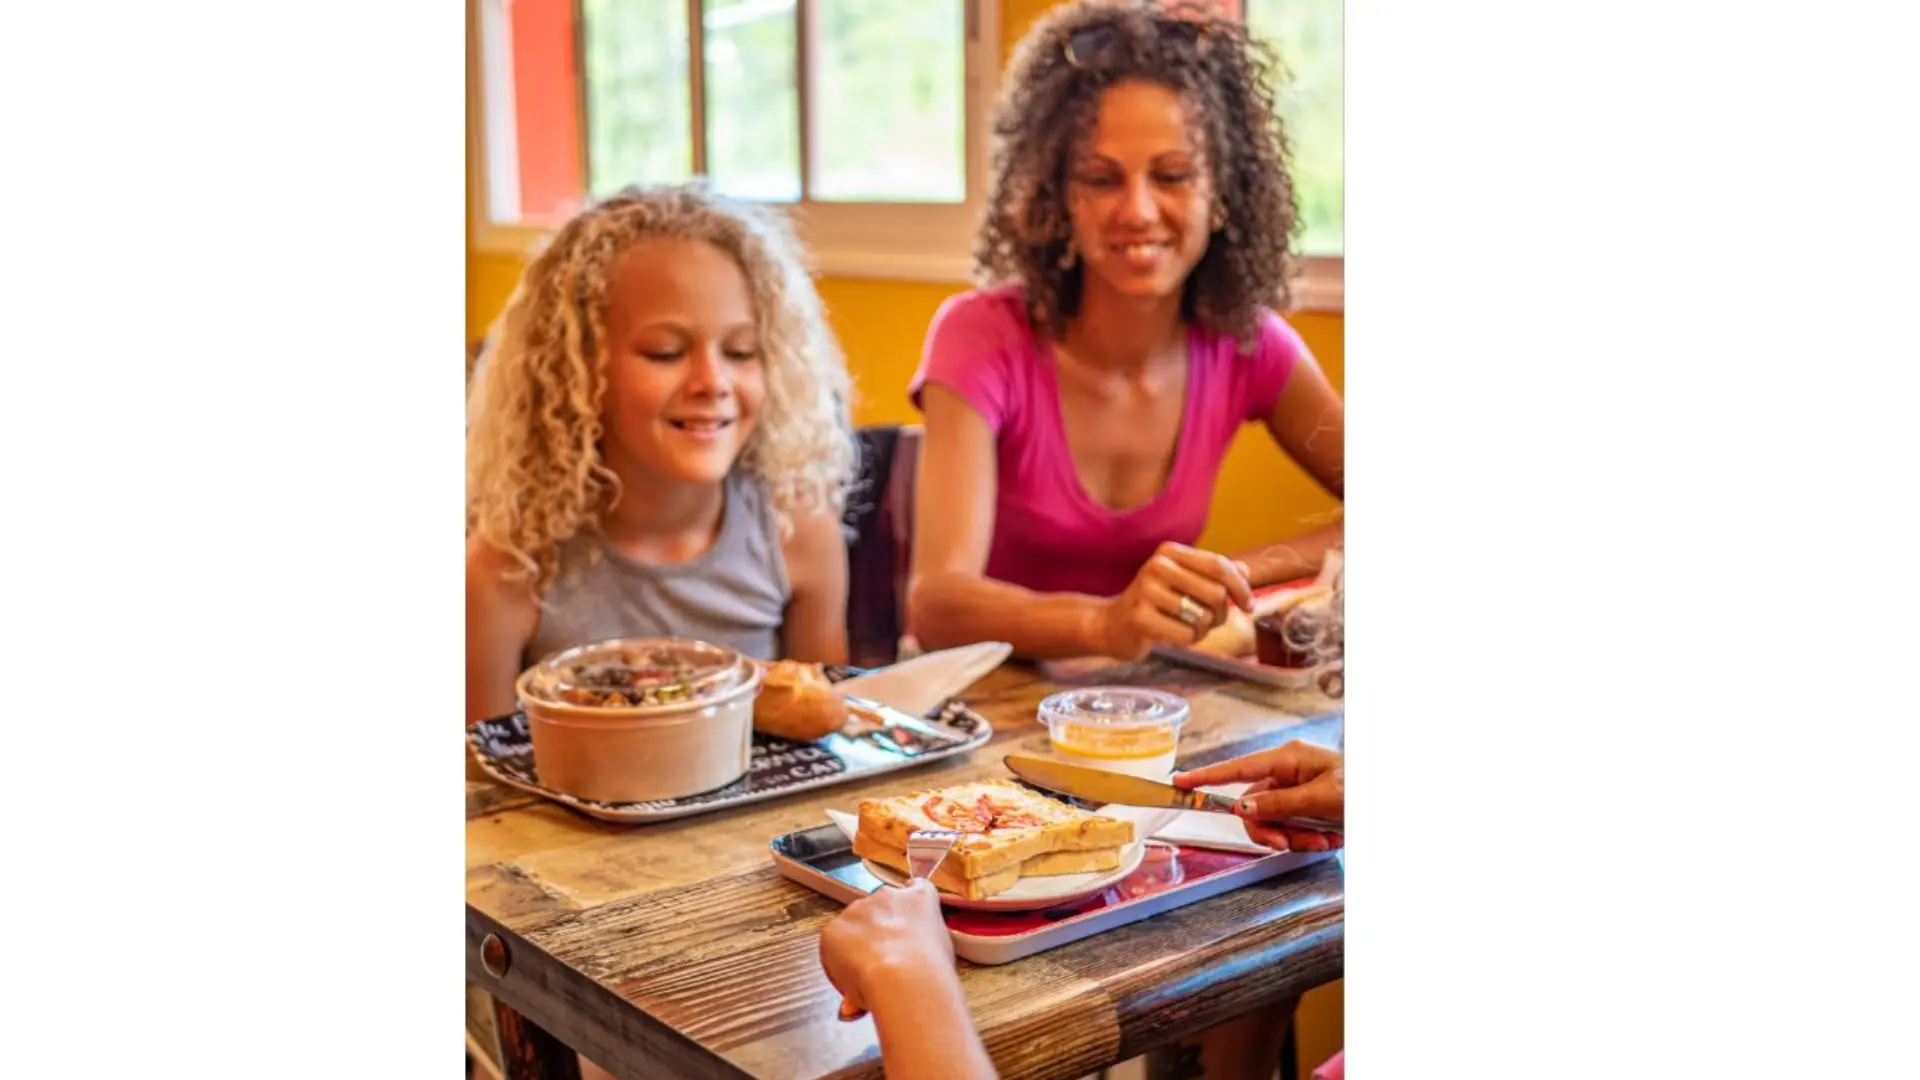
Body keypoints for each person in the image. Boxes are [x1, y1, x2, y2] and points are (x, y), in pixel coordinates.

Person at [907, 0, 1344, 663]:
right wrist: (1105, 622)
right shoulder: (978, 337)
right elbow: (936, 604)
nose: (1137, 211)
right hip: (987, 700)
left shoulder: (1251, 344)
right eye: (1100, 179)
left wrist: (1226, 572)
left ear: (1222, 187)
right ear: (1058, 193)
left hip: (1150, 704)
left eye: (1172, 176)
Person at [465, 181, 857, 730]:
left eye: (741, 351)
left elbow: (821, 730)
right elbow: (482, 791)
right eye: (665, 352)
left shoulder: (797, 530)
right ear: (574, 370)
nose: (712, 381)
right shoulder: (507, 568)